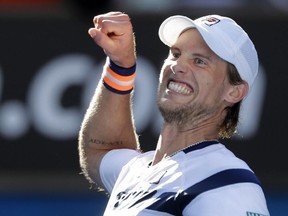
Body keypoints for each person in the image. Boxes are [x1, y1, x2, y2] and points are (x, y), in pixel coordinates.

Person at [78, 11, 270, 215]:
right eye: (176, 54)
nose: (177, 65)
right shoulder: (137, 170)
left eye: (200, 61)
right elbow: (100, 149)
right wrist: (120, 66)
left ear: (234, 92)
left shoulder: (229, 183)